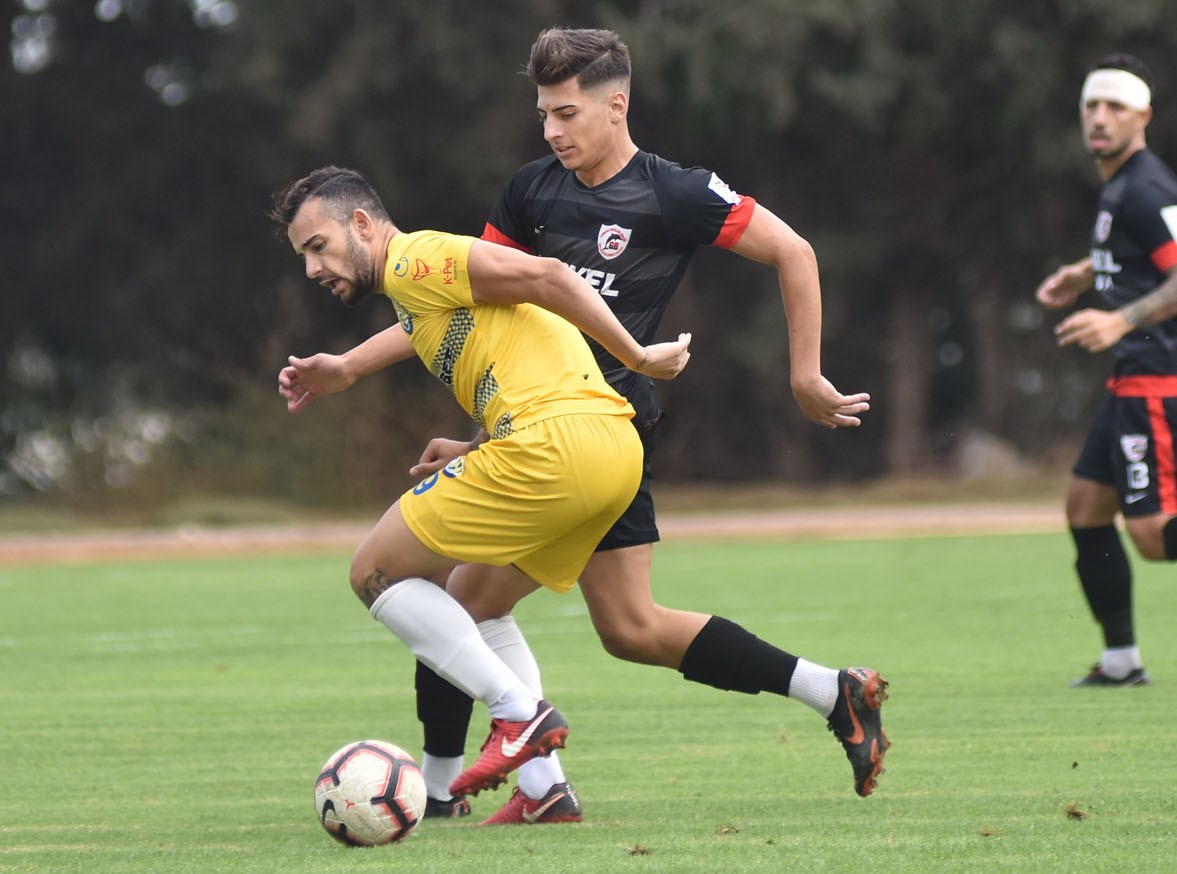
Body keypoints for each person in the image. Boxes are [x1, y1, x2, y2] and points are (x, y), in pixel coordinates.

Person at [278, 28, 889, 822]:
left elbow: (794, 252)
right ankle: (825, 691)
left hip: (609, 421)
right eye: (542, 115)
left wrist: (803, 373)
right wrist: (383, 383)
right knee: (626, 627)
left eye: (565, 113)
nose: (552, 131)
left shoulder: (676, 193)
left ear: (616, 105)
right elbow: (467, 307)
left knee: (444, 596)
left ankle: (454, 779)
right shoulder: (531, 192)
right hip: (539, 422)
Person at [268, 164, 692, 795]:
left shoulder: (414, 260)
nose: (312, 269)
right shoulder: (419, 295)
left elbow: (549, 276)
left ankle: (518, 715)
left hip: (548, 448)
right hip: (610, 451)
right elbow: (426, 330)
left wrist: (637, 355)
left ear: (361, 224)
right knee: (480, 604)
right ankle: (545, 791)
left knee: (374, 573)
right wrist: (349, 370)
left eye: (318, 247)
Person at [1035, 53, 1177, 688]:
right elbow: (1139, 254)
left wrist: (1119, 321)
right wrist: (1086, 271)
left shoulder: (1147, 187)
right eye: (1092, 105)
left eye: (1115, 106)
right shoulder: (1119, 186)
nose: (1100, 117)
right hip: (1131, 375)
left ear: (1143, 115)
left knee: (1150, 536)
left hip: (1157, 373)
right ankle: (1122, 661)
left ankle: (1123, 660)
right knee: (1087, 506)